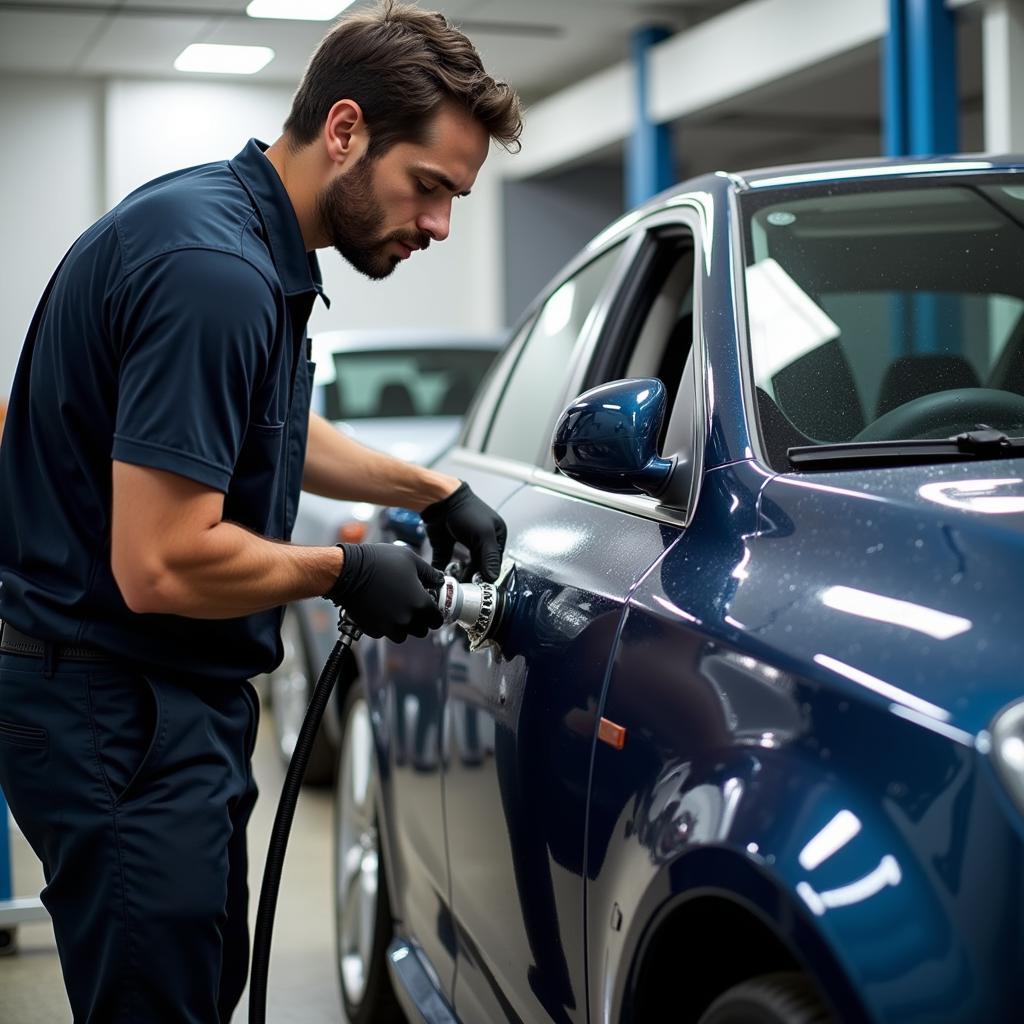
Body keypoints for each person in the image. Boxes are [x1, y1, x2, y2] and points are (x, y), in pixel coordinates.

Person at [0, 3, 521, 1021]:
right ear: (344, 131)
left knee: (192, 981)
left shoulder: (230, 232)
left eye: (456, 198)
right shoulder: (217, 274)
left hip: (141, 697)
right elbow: (159, 561)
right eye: (428, 188)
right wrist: (338, 572)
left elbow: (271, 433)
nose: (438, 224)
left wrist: (432, 488)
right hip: (120, 708)